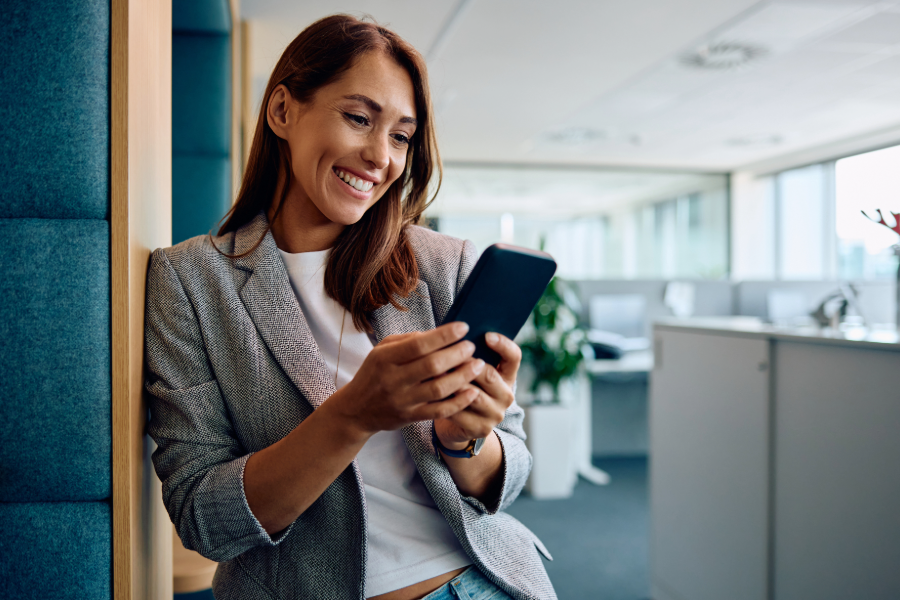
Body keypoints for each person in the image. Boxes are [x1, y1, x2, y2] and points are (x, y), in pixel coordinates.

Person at [145, 14, 555, 600]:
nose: (380, 156)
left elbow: (507, 480)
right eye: (359, 118)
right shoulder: (190, 281)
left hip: (478, 583)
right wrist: (354, 414)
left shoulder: (444, 265)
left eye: (401, 137)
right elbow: (203, 519)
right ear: (282, 111)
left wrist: (464, 440)